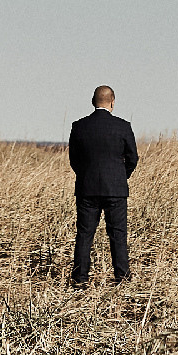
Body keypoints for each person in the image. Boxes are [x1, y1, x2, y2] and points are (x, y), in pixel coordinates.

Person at [66, 84, 139, 287]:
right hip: (116, 189)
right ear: (113, 102)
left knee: (84, 234)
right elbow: (133, 157)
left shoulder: (78, 126)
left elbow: (74, 159)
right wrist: (121, 176)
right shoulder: (123, 126)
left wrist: (85, 175)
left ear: (92, 102)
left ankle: (80, 280)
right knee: (118, 234)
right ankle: (122, 279)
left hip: (87, 189)